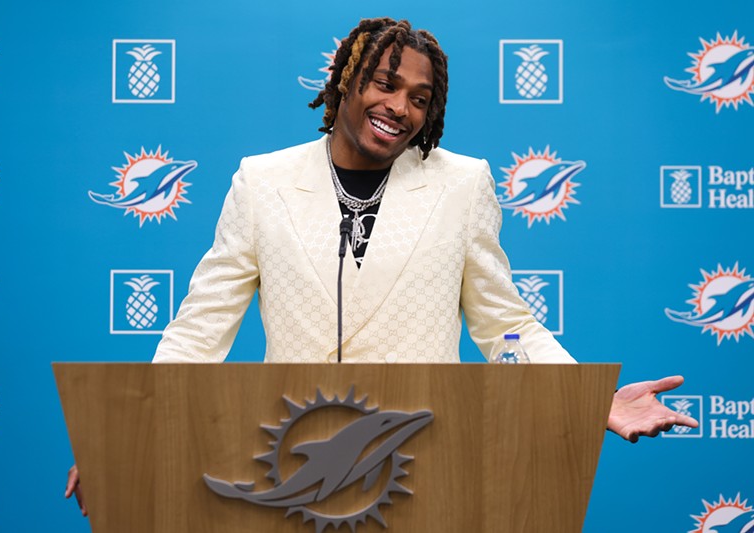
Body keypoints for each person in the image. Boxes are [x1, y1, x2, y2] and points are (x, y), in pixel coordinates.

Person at [66, 17, 698, 515]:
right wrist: (124, 434)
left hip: (427, 473)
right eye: (386, 84)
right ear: (345, 79)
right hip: (293, 466)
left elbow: (507, 328)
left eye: (420, 98)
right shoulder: (263, 182)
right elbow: (201, 329)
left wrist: (588, 403)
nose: (401, 107)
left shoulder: (463, 184)